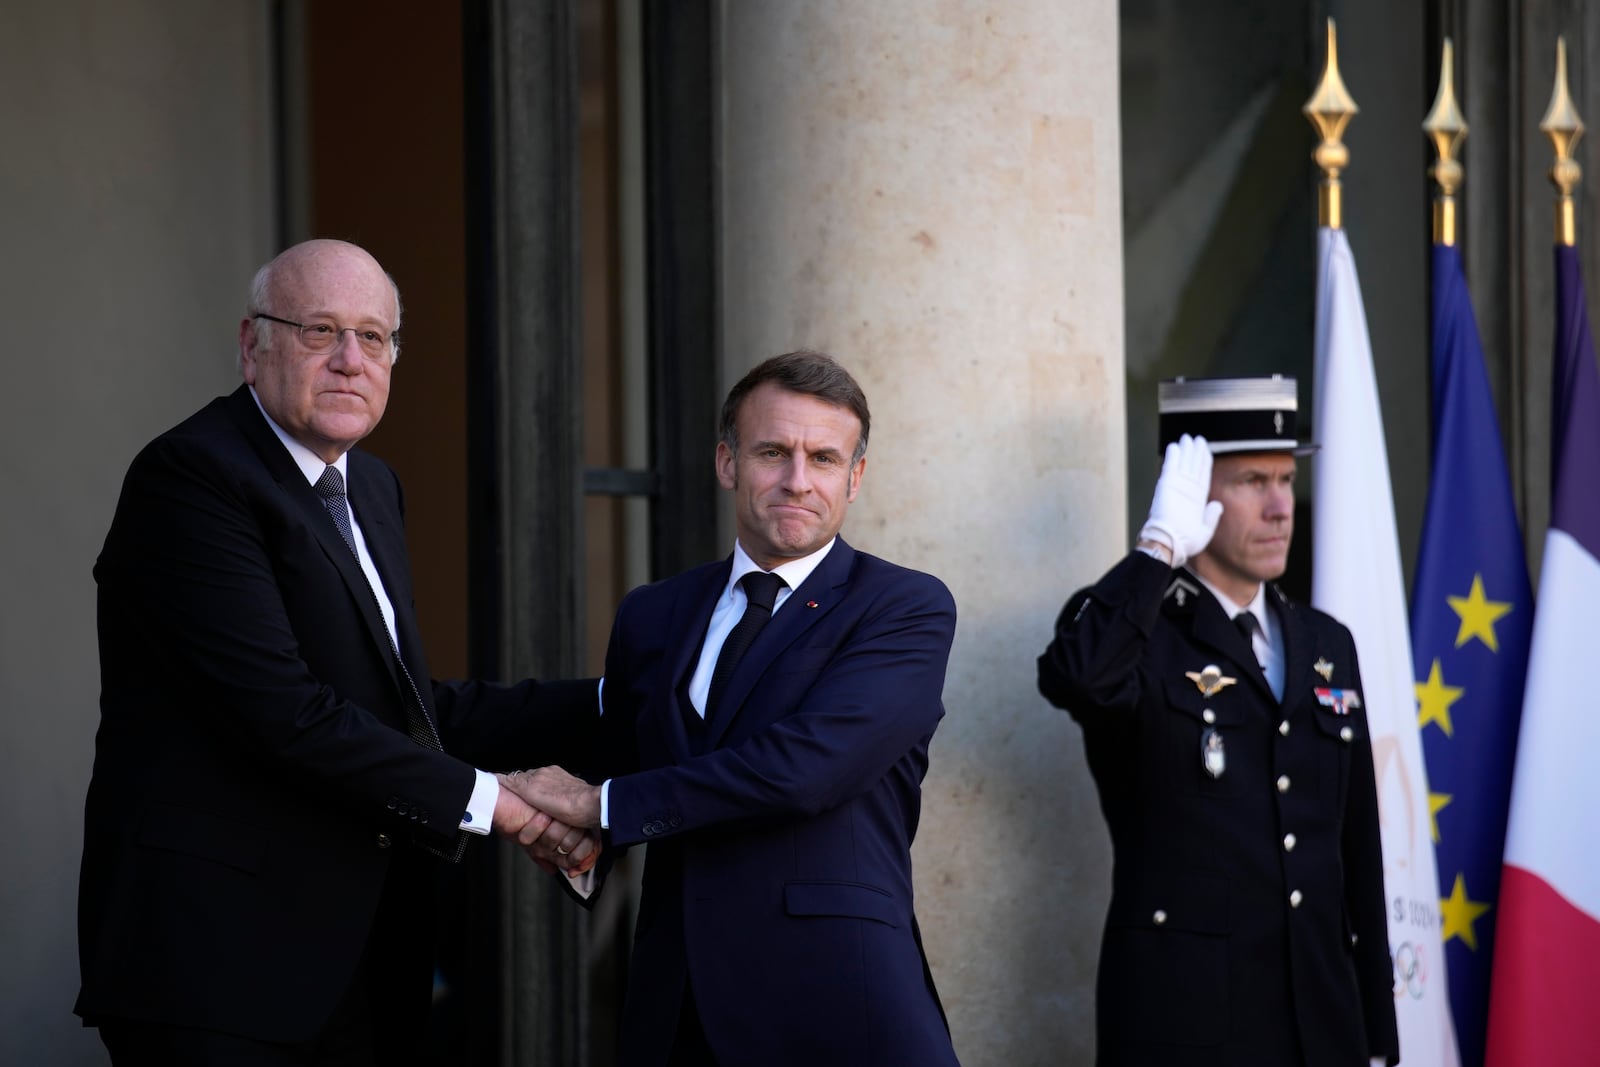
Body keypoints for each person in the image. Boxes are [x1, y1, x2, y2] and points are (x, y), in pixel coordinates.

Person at [76, 239, 597, 1065]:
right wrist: (498, 803)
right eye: (320, 331)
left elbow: (399, 706)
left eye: (374, 336)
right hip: (220, 965)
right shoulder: (191, 477)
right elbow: (284, 713)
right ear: (254, 346)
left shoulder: (371, 486)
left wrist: (611, 703)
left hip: (358, 960)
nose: (352, 360)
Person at [506, 350, 962, 1066]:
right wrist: (574, 832)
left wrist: (600, 806)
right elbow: (636, 759)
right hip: (675, 1004)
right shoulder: (654, 613)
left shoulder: (902, 606)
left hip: (836, 1003)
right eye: (773, 452)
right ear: (727, 462)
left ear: (856, 476)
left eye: (823, 457)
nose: (797, 480)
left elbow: (805, 769)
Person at [1036, 375, 1399, 1067]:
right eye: (1251, 480)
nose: (1279, 507)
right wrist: (1158, 546)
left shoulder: (1325, 642)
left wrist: (1377, 1034)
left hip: (1321, 1026)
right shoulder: (1139, 631)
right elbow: (1076, 675)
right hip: (1189, 1028)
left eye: (1287, 480)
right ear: (1192, 487)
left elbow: (1356, 848)